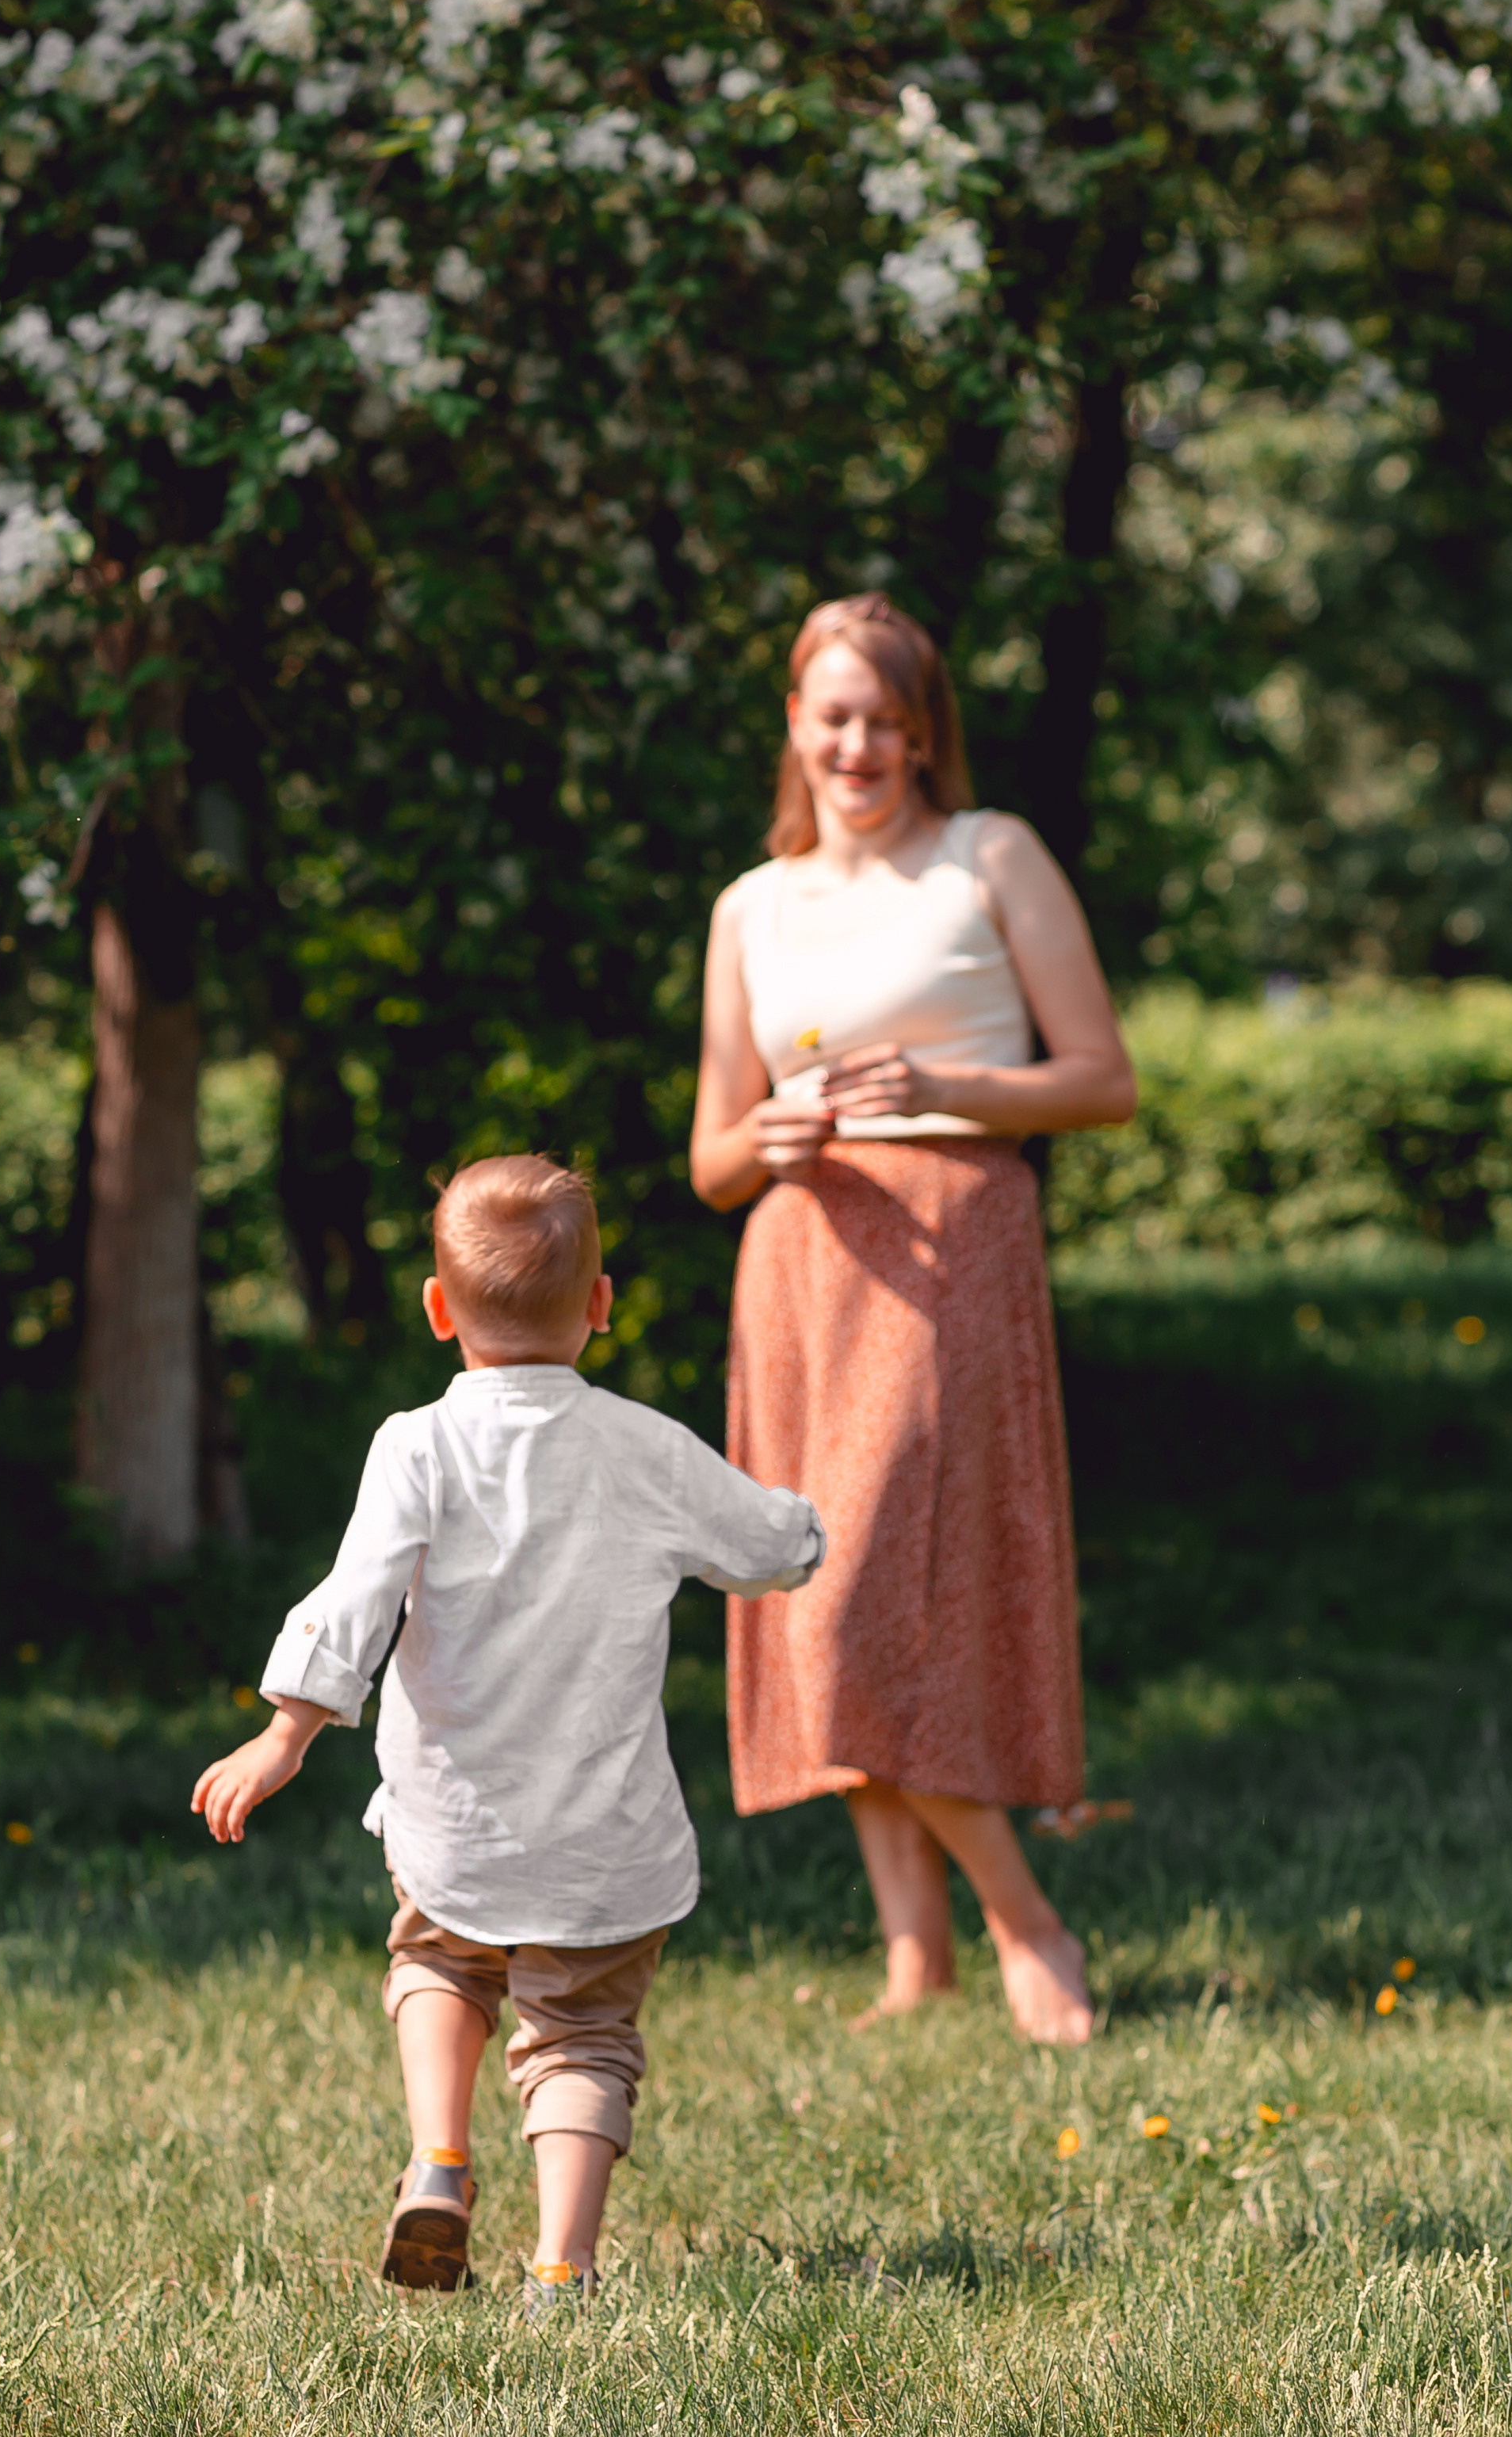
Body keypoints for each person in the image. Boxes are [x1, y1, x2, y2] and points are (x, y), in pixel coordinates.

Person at [191, 1154, 825, 2308]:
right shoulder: (643, 1446)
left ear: (438, 1310)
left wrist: (284, 1734)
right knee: (582, 2035)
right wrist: (812, 1522)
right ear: (601, 1304)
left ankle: (439, 2160)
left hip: (454, 1819)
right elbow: (767, 1547)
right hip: (604, 1834)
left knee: (439, 1958)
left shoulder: (414, 1445)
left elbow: (354, 1596)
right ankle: (560, 2268)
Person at [689, 595, 1136, 2046]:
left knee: (875, 1589)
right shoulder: (749, 907)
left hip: (953, 1249)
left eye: (885, 716)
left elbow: (1102, 1078)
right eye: (832, 714)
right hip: (803, 1264)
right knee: (816, 1600)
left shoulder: (988, 855)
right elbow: (707, 1160)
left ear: (925, 728)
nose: (858, 743)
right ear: (794, 727)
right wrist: (775, 1136)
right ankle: (912, 1955)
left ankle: (1029, 1922)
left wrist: (934, 1093)